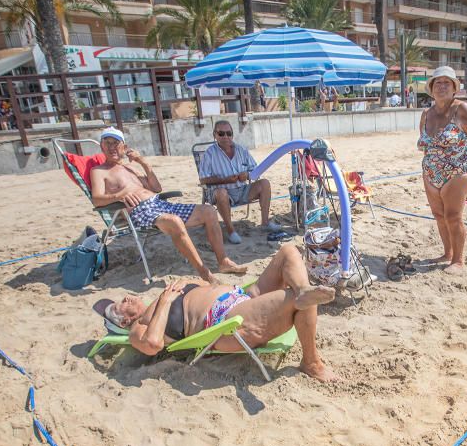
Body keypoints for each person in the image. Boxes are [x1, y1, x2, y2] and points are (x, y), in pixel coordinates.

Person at [100, 244, 338, 382]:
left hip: (243, 297)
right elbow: (152, 343)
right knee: (295, 301)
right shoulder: (140, 326)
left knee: (288, 251)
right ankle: (311, 362)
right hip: (227, 323)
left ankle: (303, 289)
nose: (127, 297)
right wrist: (164, 301)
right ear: (123, 320)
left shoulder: (164, 297)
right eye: (120, 304)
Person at [89, 127, 246, 283]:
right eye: (107, 143)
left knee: (209, 210)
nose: (111, 147)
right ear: (101, 146)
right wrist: (120, 195)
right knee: (174, 221)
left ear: (124, 146)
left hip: (160, 204)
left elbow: (156, 188)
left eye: (115, 143)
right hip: (140, 211)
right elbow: (97, 199)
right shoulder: (99, 171)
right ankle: (205, 273)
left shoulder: (130, 167)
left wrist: (143, 162)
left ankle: (223, 262)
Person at [417, 66, 467, 274]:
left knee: (453, 216)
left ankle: (458, 260)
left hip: (457, 172)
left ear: (454, 88)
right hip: (431, 173)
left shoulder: (461, 109)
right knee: (439, 215)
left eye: (446, 82)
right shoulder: (426, 114)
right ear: (431, 88)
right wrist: (431, 167)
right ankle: (447, 253)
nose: (441, 86)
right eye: (437, 82)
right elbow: (425, 144)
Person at [198, 120, 282, 244]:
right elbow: (203, 179)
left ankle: (265, 222)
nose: (225, 137)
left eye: (228, 133)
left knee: (264, 183)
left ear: (232, 134)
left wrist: (247, 175)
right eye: (221, 133)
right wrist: (225, 179)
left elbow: (255, 170)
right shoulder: (209, 154)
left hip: (242, 189)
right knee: (221, 193)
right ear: (214, 135)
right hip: (221, 192)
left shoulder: (241, 150)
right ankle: (231, 231)